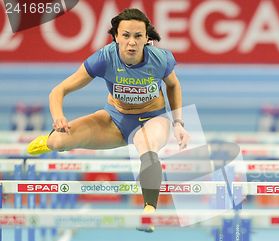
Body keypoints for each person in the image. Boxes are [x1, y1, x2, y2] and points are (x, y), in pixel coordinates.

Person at [27, 8, 190, 228]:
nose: (131, 42)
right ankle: (48, 140)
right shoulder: (104, 58)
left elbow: (173, 85)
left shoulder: (160, 59)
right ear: (116, 37)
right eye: (125, 35)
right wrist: (58, 118)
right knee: (59, 141)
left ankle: (149, 210)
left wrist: (178, 122)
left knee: (146, 144)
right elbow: (58, 90)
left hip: (153, 119)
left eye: (138, 36)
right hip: (115, 120)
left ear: (146, 38)